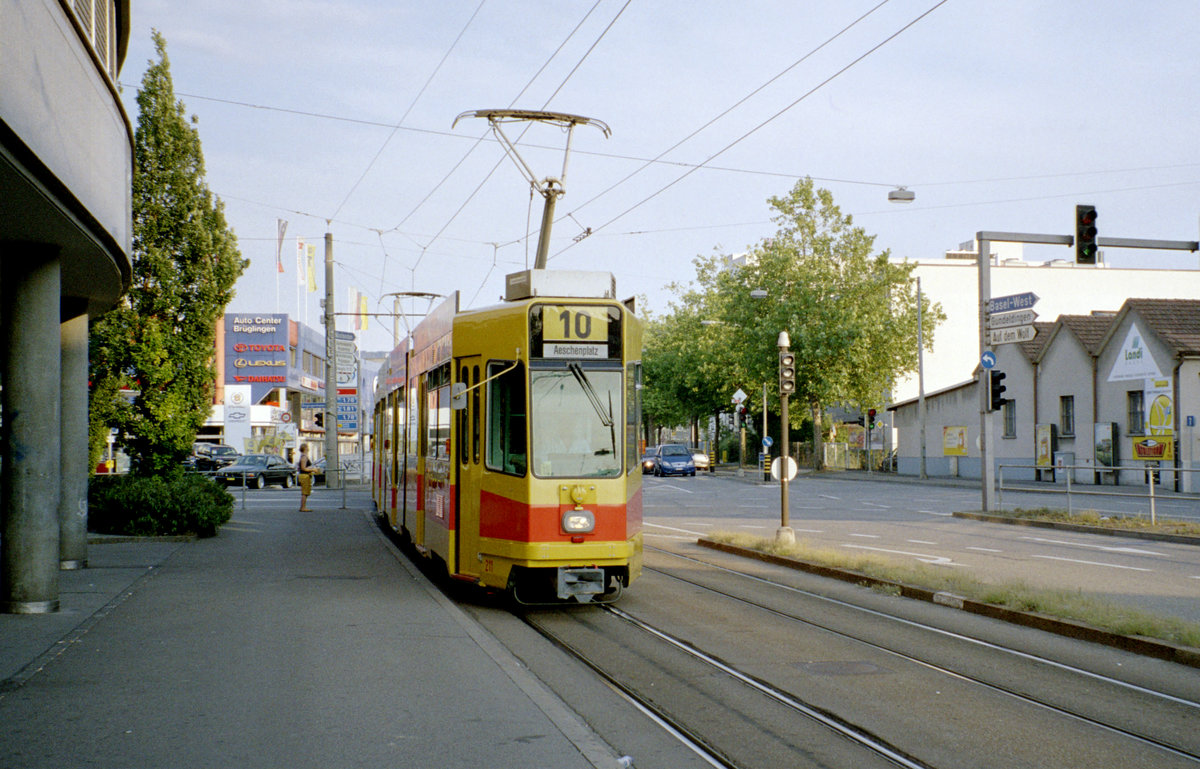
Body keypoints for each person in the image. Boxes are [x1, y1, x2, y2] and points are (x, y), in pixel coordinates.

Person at [296, 444, 313, 511]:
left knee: (305, 492)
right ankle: (303, 507)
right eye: (307, 447)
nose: (308, 448)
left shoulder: (303, 456)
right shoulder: (304, 457)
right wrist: (313, 469)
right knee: (304, 493)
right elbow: (303, 468)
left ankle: (303, 507)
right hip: (304, 476)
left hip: (304, 475)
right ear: (305, 448)